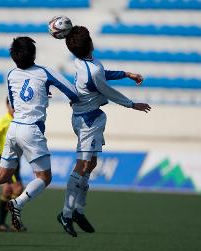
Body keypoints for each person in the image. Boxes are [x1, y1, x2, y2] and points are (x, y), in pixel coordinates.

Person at [0, 36, 80, 231]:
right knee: (44, 178)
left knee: (2, 175)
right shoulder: (44, 72)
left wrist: (41, 93)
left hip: (14, 127)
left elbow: (14, 101)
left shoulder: (11, 75)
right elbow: (73, 92)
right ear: (34, 54)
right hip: (32, 129)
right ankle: (17, 204)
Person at [57, 25, 151, 237]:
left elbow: (101, 75)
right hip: (87, 121)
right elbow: (107, 88)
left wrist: (126, 73)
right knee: (81, 166)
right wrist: (131, 104)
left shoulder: (80, 61)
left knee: (91, 164)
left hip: (88, 118)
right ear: (91, 43)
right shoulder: (93, 69)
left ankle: (79, 211)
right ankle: (66, 213)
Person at [0, 97, 26, 232]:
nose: (15, 108)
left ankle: (1, 223)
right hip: (4, 159)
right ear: (7, 105)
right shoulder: (2, 121)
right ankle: (15, 222)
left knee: (7, 190)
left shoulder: (19, 121)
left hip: (15, 159)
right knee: (18, 188)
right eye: (13, 105)